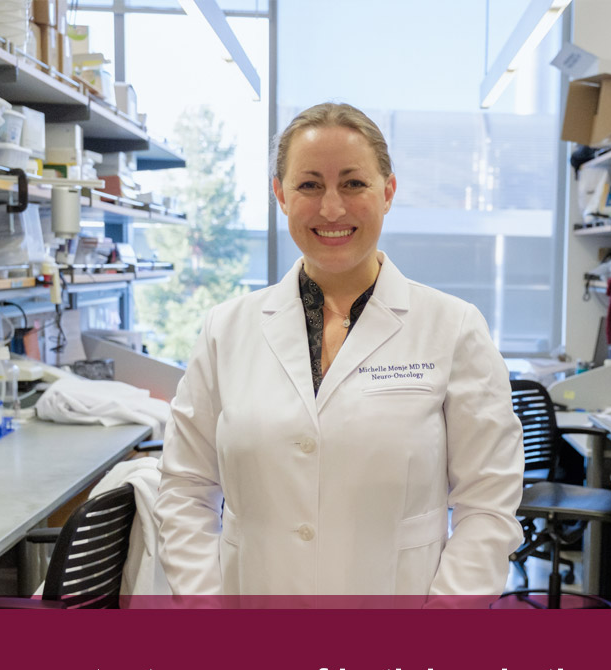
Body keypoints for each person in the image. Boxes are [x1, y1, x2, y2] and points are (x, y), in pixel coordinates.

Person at [154, 102, 524, 608]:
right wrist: (206, 606)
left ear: (388, 192)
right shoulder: (227, 330)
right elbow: (184, 488)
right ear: (280, 195)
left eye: (353, 184)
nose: (332, 208)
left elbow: (488, 505)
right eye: (309, 185)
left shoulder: (453, 327)